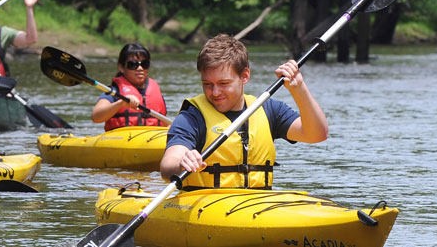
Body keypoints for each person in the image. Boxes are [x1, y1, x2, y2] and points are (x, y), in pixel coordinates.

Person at [160, 34, 328, 190]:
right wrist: (182, 164)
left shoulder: (268, 109)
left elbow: (317, 134)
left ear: (245, 76)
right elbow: (168, 165)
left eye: (223, 83)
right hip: (205, 205)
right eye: (207, 84)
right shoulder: (192, 116)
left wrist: (299, 89)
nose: (215, 92)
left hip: (256, 204)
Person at [91, 43, 168, 131]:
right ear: (121, 67)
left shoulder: (155, 90)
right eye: (133, 64)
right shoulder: (114, 91)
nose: (140, 68)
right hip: (122, 139)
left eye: (144, 64)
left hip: (153, 138)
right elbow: (96, 117)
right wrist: (121, 104)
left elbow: (165, 123)